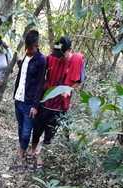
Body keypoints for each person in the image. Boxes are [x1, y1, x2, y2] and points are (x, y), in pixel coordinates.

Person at [31, 36, 84, 169]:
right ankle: (32, 153)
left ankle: (41, 158)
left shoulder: (76, 60)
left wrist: (68, 89)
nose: (59, 57)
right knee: (36, 131)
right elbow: (41, 75)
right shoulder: (52, 58)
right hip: (45, 103)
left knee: (49, 135)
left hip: (59, 107)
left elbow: (77, 82)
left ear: (69, 50)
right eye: (57, 54)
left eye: (62, 54)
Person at [13, 29, 46, 167]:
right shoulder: (26, 57)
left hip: (29, 102)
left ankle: (21, 151)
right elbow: (23, 75)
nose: (28, 50)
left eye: (30, 48)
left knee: (27, 131)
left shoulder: (41, 60)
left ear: (37, 45)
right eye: (26, 47)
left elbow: (40, 84)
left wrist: (35, 105)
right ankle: (22, 148)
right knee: (21, 127)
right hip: (18, 99)